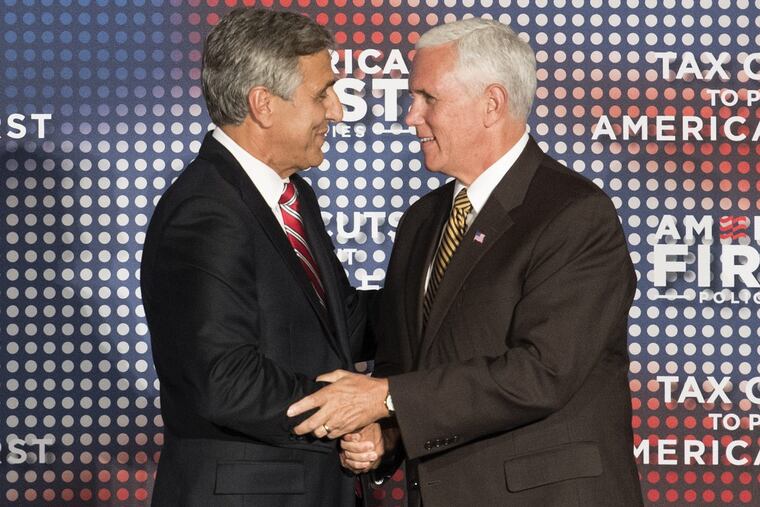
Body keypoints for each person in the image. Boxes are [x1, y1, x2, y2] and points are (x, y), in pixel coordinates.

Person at [287, 18, 644, 506]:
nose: (411, 117)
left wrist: (385, 397)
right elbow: (404, 364)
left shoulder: (573, 214)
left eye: (427, 98)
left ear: (492, 104)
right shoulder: (421, 221)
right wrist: (386, 435)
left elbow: (543, 372)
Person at [141, 8, 370, 506]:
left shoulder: (292, 195)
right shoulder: (206, 211)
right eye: (322, 94)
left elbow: (344, 325)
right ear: (263, 104)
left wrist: (441, 297)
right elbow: (224, 381)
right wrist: (348, 410)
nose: (337, 112)